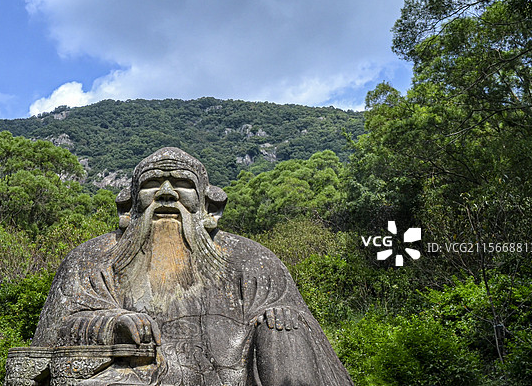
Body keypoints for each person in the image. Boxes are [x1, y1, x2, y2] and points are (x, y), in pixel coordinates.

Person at [19, 147, 353, 386]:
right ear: (129, 205)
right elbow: (51, 339)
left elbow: (295, 330)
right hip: (136, 373)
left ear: (208, 205)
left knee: (286, 329)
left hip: (232, 375)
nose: (166, 194)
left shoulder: (252, 260)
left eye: (182, 184)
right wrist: (114, 323)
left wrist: (282, 315)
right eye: (152, 185)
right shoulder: (91, 258)